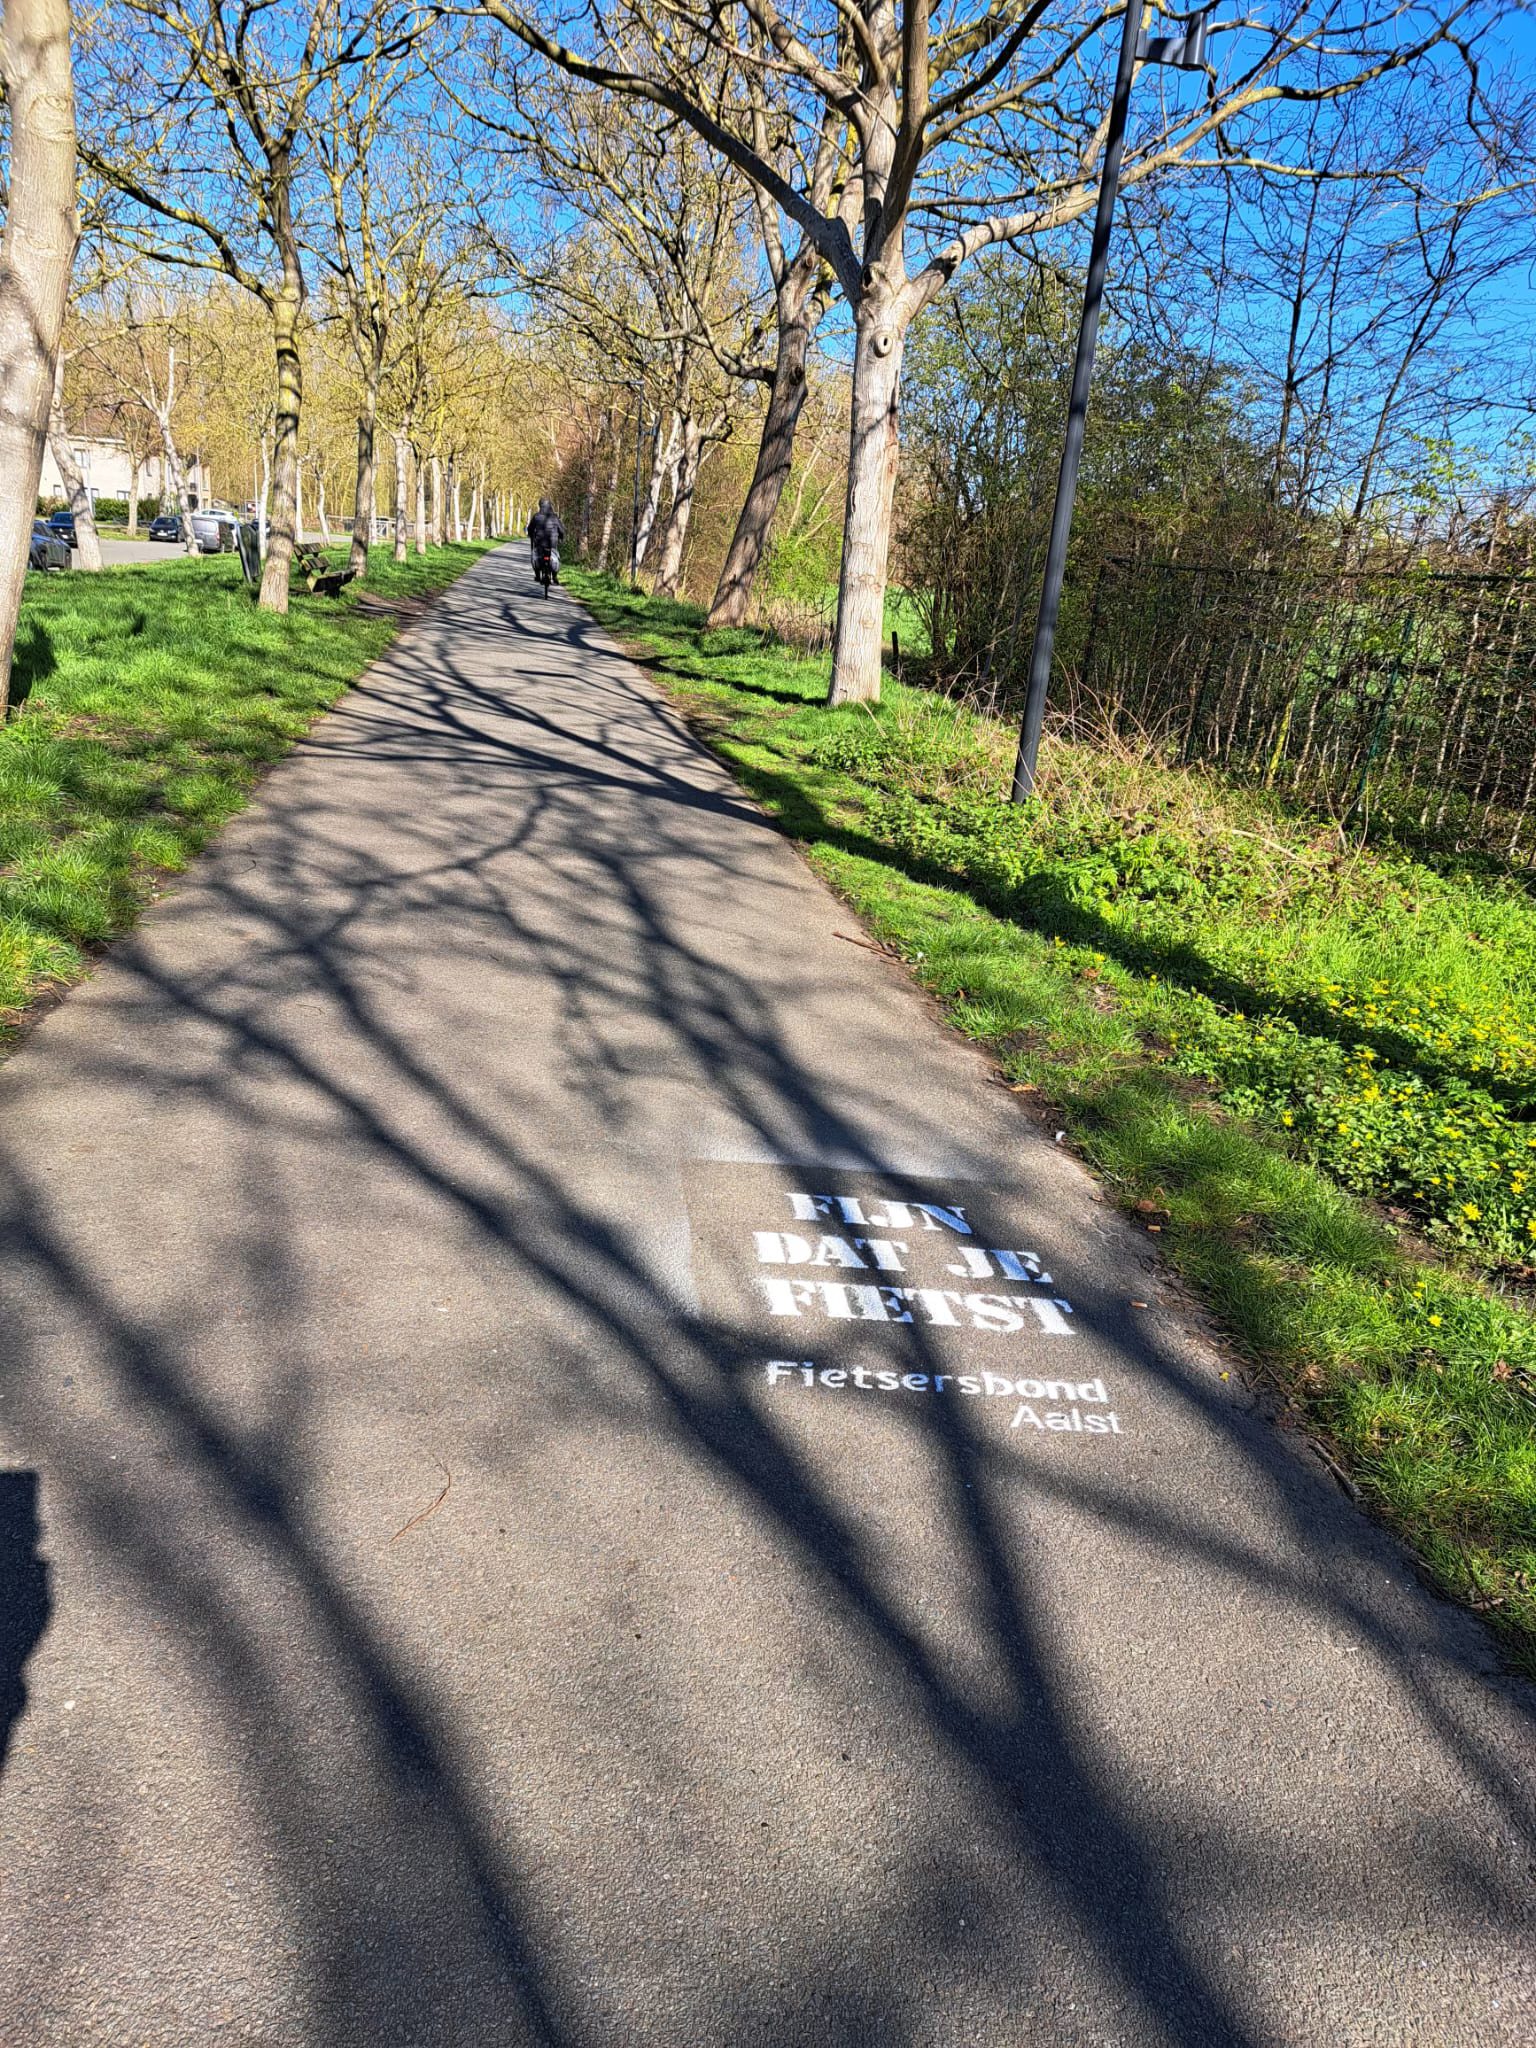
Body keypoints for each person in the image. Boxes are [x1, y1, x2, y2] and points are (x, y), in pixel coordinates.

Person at [527, 497, 564, 582]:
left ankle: (537, 575)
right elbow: (561, 530)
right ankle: (555, 577)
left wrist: (530, 535)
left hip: (539, 542)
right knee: (556, 556)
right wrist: (561, 537)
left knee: (535, 556)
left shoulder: (536, 517)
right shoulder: (555, 517)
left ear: (540, 505)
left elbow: (530, 528)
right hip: (553, 543)